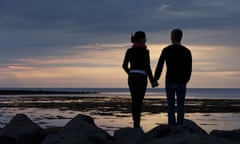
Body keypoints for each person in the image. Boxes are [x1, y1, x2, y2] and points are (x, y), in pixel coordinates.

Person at [154, 28, 192, 125]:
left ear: (172, 37)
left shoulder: (166, 50)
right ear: (181, 37)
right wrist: (186, 80)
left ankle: (172, 126)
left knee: (170, 104)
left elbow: (160, 65)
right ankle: (180, 126)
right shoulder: (186, 51)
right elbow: (189, 68)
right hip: (181, 81)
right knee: (180, 105)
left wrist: (155, 78)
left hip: (170, 80)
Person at [122, 31, 158, 128]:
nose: (146, 39)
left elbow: (124, 66)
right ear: (141, 39)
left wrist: (131, 73)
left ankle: (135, 122)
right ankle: (137, 123)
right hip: (142, 77)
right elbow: (147, 67)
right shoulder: (145, 51)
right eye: (145, 37)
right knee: (139, 101)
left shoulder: (129, 51)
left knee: (134, 100)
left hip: (132, 77)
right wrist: (152, 81)